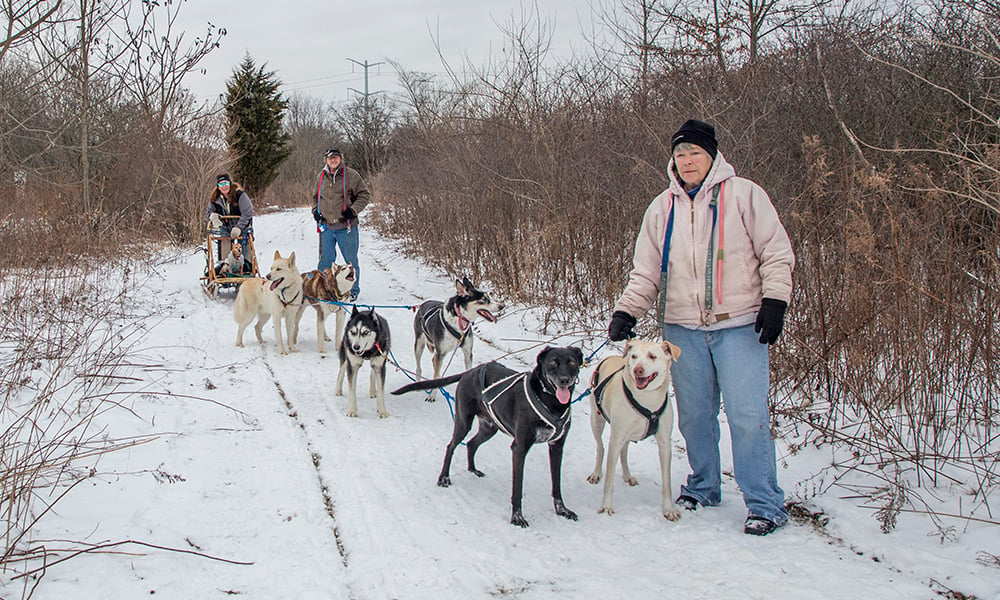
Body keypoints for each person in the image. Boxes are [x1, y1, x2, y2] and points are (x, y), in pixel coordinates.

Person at [607, 119, 795, 536]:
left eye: (694, 152)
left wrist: (775, 300)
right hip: (682, 330)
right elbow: (645, 273)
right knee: (694, 416)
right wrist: (627, 311)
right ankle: (704, 486)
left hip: (740, 325)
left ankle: (764, 503)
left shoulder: (745, 195)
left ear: (712, 155)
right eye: (679, 154)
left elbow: (776, 252)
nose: (686, 161)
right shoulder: (661, 208)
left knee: (748, 415)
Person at [312, 148, 369, 302]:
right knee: (325, 261)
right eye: (331, 158)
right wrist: (315, 211)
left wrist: (353, 210)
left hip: (346, 227)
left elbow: (364, 195)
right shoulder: (321, 176)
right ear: (326, 160)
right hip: (326, 227)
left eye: (336, 158)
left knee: (350, 261)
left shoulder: (351, 175)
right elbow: (315, 197)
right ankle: (322, 289)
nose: (333, 160)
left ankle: (353, 291)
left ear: (341, 159)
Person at [205, 173, 254, 259]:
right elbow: (208, 213)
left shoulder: (240, 195)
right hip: (225, 227)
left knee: (244, 250)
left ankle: (246, 267)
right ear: (218, 186)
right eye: (221, 184)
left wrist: (239, 227)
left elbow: (247, 213)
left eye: (226, 183)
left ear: (230, 184)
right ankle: (225, 266)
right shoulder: (215, 199)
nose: (224, 186)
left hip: (242, 226)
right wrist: (213, 217)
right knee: (225, 252)